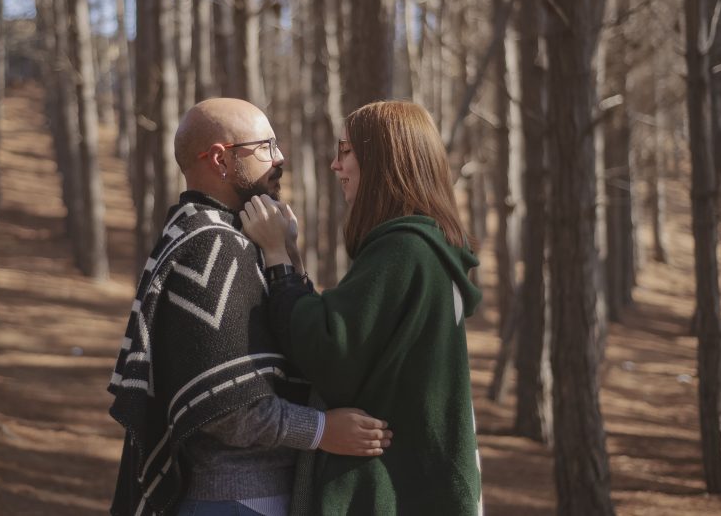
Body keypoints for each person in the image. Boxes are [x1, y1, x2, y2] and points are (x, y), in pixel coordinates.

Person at [108, 98, 392, 516]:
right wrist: (322, 431)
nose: (281, 158)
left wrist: (287, 253)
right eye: (266, 146)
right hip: (236, 500)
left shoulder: (204, 232)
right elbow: (229, 410)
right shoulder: (213, 246)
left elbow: (292, 338)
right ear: (221, 160)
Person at [240, 100, 483, 515]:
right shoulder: (429, 248)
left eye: (347, 151)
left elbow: (327, 350)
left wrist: (276, 255)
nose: (336, 165)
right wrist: (293, 257)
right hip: (416, 486)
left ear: (386, 162)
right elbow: (353, 334)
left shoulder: (405, 250)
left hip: (389, 490)